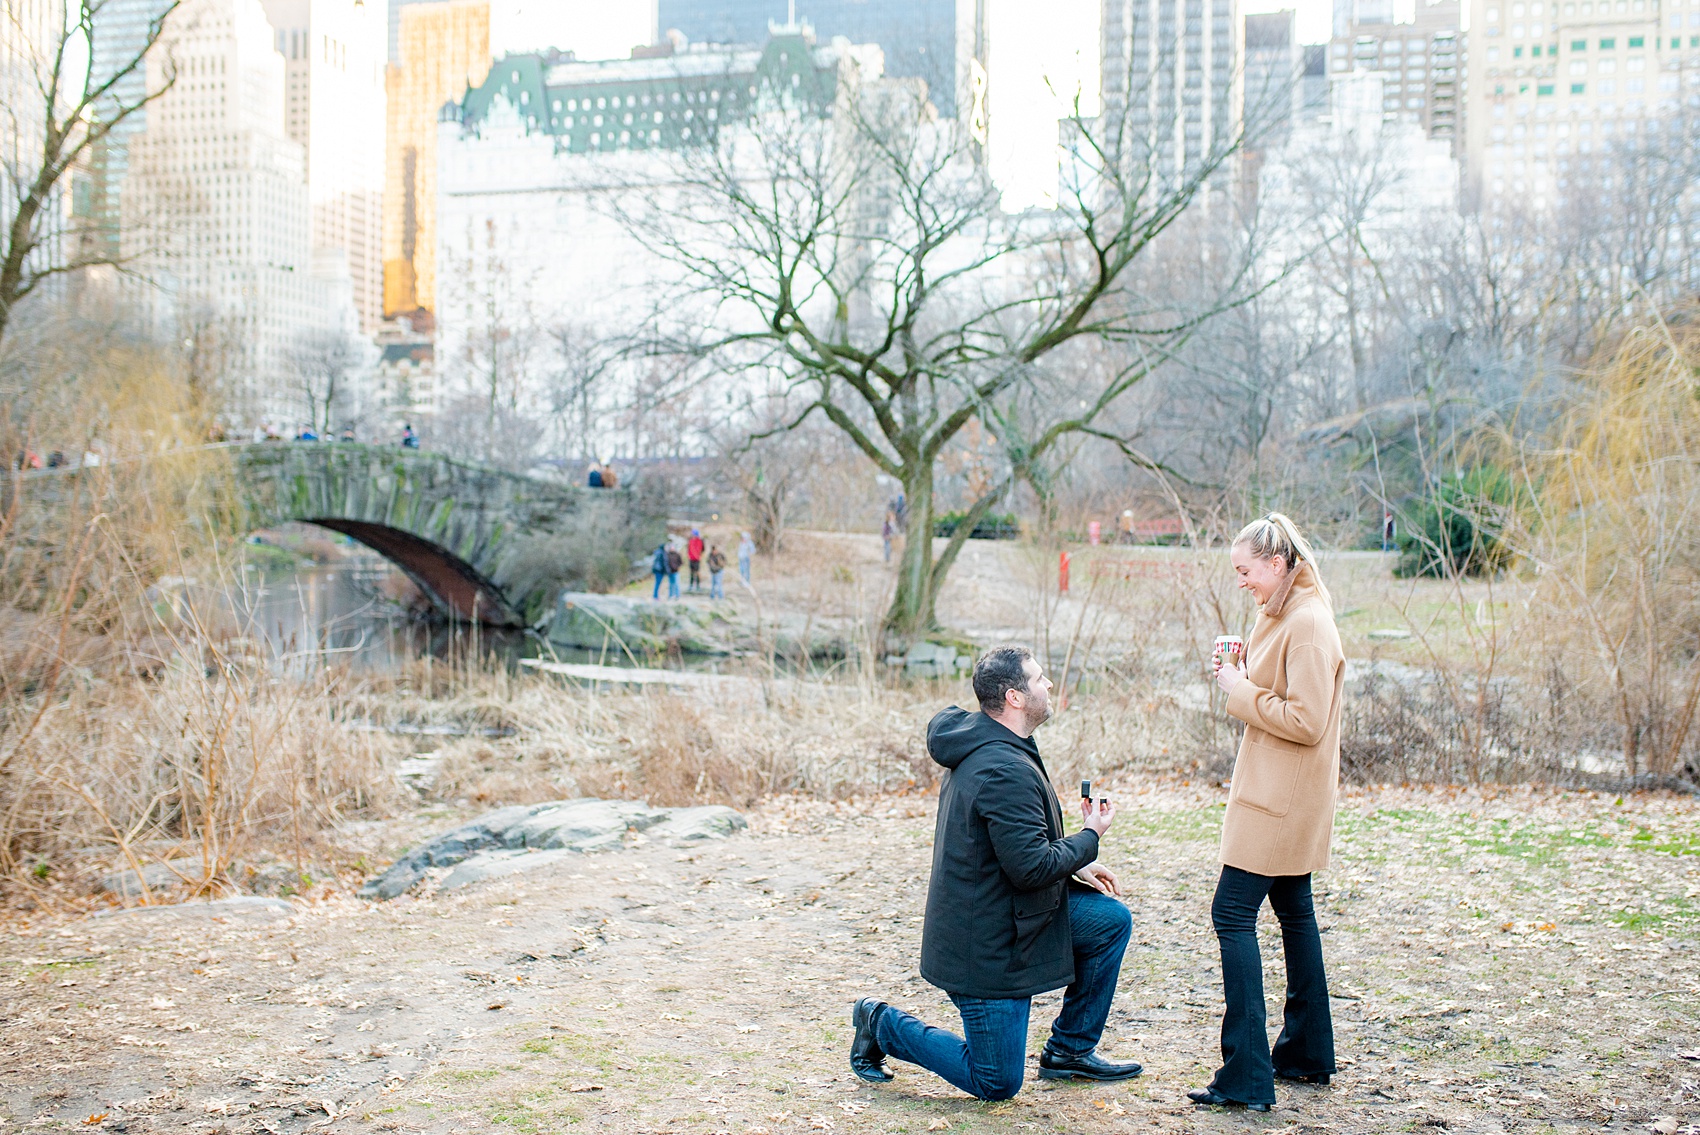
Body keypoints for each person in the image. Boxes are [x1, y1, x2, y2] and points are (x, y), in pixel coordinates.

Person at [850, 647, 1142, 1100]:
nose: (1048, 685)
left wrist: (1077, 861)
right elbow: (1030, 868)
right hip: (986, 945)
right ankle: (880, 1023)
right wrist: (1090, 836)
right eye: (1040, 678)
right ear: (1015, 697)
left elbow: (1013, 850)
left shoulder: (997, 742)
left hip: (1006, 914)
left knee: (1108, 921)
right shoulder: (1003, 767)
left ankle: (1069, 1051)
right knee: (997, 1081)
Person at [1192, 513, 1344, 1113]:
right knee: (1293, 911)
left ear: (1277, 564)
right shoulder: (1283, 612)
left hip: (1280, 800)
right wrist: (1244, 669)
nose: (1241, 582)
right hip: (1283, 794)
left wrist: (1237, 688)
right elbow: (1280, 694)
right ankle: (1305, 1055)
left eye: (1245, 570)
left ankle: (1247, 1077)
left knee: (1230, 914)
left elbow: (1306, 722)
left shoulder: (1307, 622)